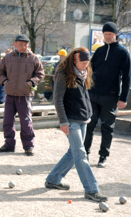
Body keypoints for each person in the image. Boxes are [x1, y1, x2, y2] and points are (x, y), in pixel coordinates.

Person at [45, 48, 108, 202]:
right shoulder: (63, 74)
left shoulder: (83, 73)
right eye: (83, 63)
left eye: (87, 63)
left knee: (73, 153)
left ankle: (53, 179)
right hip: (70, 120)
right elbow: (57, 99)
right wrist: (63, 121)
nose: (85, 66)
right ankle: (91, 190)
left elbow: (83, 96)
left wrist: (89, 113)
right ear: (75, 60)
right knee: (80, 154)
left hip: (83, 118)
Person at [83, 22, 131, 168]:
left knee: (107, 127)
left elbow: (127, 77)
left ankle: (103, 156)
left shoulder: (123, 53)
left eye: (110, 34)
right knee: (89, 125)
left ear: (116, 35)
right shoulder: (99, 51)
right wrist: (86, 90)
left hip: (110, 96)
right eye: (105, 34)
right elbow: (89, 71)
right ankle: (84, 153)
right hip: (93, 94)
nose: (107, 37)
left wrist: (123, 98)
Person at [0, 34, 45, 155]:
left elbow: (40, 73)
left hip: (25, 95)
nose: (23, 47)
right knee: (7, 121)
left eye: (26, 45)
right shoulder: (7, 58)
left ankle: (28, 146)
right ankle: (9, 144)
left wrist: (31, 82)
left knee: (26, 122)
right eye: (21, 44)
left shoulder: (34, 58)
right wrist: (4, 81)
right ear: (15, 45)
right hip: (10, 94)